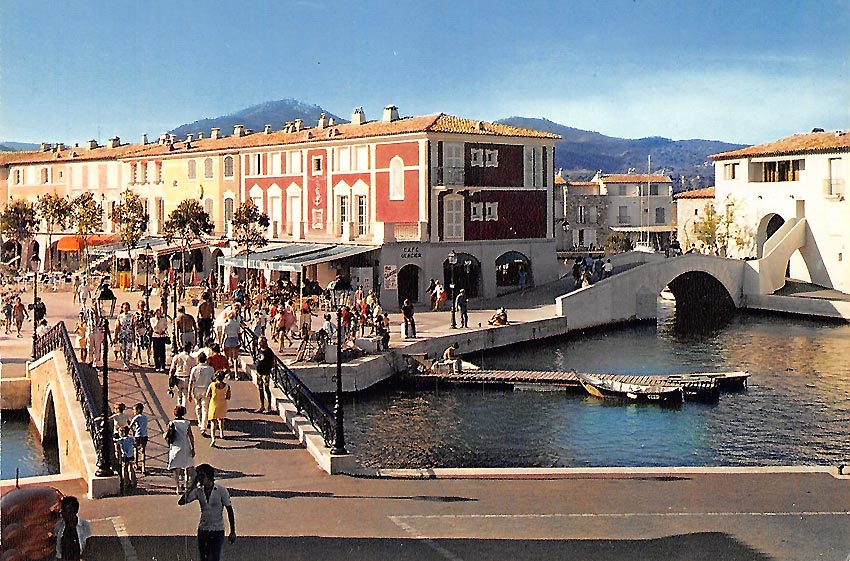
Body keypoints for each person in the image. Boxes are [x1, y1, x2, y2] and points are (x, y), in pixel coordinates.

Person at [178, 463, 237, 561]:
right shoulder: (198, 491)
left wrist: (232, 531)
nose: (200, 479)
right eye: (199, 476)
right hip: (203, 530)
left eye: (202, 476)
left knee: (214, 558)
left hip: (217, 530)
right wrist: (192, 486)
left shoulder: (221, 491)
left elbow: (229, 510)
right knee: (204, 558)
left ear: (209, 476)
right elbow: (181, 502)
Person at [166, 405, 196, 494]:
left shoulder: (172, 423)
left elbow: (166, 435)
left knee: (176, 468)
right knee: (187, 467)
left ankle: (178, 487)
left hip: (175, 446)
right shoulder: (187, 423)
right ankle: (187, 486)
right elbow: (191, 436)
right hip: (185, 446)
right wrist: (193, 448)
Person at [54, 495, 92, 561]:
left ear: (73, 511)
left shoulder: (84, 525)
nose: (61, 513)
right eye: (61, 510)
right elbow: (57, 546)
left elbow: (89, 545)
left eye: (64, 510)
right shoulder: (59, 526)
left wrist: (83, 557)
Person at [189, 353, 215, 437]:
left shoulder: (194, 369)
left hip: (196, 389)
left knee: (198, 407)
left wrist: (189, 393)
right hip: (206, 390)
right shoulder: (210, 369)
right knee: (205, 409)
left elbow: (191, 382)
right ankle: (203, 427)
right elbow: (213, 380)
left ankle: (200, 422)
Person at [206, 372, 231, 447]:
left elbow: (207, 395)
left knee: (213, 421)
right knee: (221, 419)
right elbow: (228, 397)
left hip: (214, 403)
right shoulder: (227, 386)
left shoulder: (212, 385)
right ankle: (221, 433)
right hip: (222, 403)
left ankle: (213, 438)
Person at [254, 336, 275, 414]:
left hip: (265, 374)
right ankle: (262, 405)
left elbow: (272, 363)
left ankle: (269, 406)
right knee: (260, 389)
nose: (259, 343)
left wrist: (268, 372)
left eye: (260, 342)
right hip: (259, 373)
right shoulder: (259, 350)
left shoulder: (269, 352)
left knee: (266, 389)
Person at [117, 425, 137, 493]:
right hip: (130, 456)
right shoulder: (131, 439)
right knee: (130, 469)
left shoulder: (121, 440)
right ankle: (133, 482)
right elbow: (135, 445)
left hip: (124, 457)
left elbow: (115, 442)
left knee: (124, 469)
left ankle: (125, 482)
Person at [130, 403, 149, 475]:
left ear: (138, 410)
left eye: (134, 410)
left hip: (138, 435)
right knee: (143, 451)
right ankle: (143, 467)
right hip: (145, 435)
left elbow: (131, 425)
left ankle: (136, 464)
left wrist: (133, 431)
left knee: (135, 450)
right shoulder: (145, 417)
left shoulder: (136, 417)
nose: (133, 412)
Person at [115, 302, 136, 369]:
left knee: (129, 349)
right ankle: (124, 363)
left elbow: (133, 326)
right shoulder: (120, 316)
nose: (126, 309)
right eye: (125, 308)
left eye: (127, 308)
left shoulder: (131, 316)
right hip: (122, 334)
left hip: (129, 334)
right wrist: (115, 335)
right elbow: (117, 326)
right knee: (123, 349)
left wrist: (134, 335)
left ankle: (127, 362)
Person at [221, 312, 241, 379]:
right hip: (235, 339)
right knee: (235, 358)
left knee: (227, 358)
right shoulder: (237, 324)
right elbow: (239, 333)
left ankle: (229, 372)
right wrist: (239, 341)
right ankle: (236, 374)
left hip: (228, 339)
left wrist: (221, 343)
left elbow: (223, 335)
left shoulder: (226, 325)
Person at [151, 307, 170, 372]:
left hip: (162, 336)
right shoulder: (152, 319)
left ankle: (162, 365)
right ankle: (157, 365)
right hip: (155, 335)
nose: (158, 314)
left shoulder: (163, 319)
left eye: (159, 313)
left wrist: (162, 330)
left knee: (162, 351)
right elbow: (154, 327)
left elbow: (165, 326)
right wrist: (157, 320)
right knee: (156, 352)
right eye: (157, 313)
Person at [134, 300, 152, 366]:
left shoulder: (147, 313)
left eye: (143, 305)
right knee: (138, 345)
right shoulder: (136, 314)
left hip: (145, 330)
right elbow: (135, 323)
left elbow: (149, 321)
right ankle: (139, 358)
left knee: (148, 345)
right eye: (140, 305)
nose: (142, 307)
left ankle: (148, 358)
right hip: (138, 330)